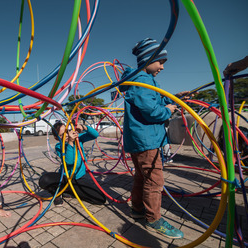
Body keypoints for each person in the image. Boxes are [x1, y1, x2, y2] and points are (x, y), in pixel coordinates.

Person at [119, 38, 192, 239]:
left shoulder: (141, 81)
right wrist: (167, 110)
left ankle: (137, 210)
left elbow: (155, 100)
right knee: (155, 180)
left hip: (141, 140)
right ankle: (153, 219)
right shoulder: (141, 82)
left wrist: (174, 98)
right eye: (160, 61)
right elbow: (151, 111)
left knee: (142, 177)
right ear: (147, 59)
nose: (162, 66)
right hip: (146, 140)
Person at [38, 121, 106, 206]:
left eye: (66, 132)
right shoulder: (59, 146)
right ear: (56, 138)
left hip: (78, 178)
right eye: (62, 135)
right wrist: (70, 142)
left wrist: (84, 127)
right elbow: (69, 162)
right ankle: (58, 193)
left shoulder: (78, 138)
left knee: (100, 199)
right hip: (65, 178)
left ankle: (69, 191)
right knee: (44, 180)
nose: (66, 135)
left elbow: (95, 135)